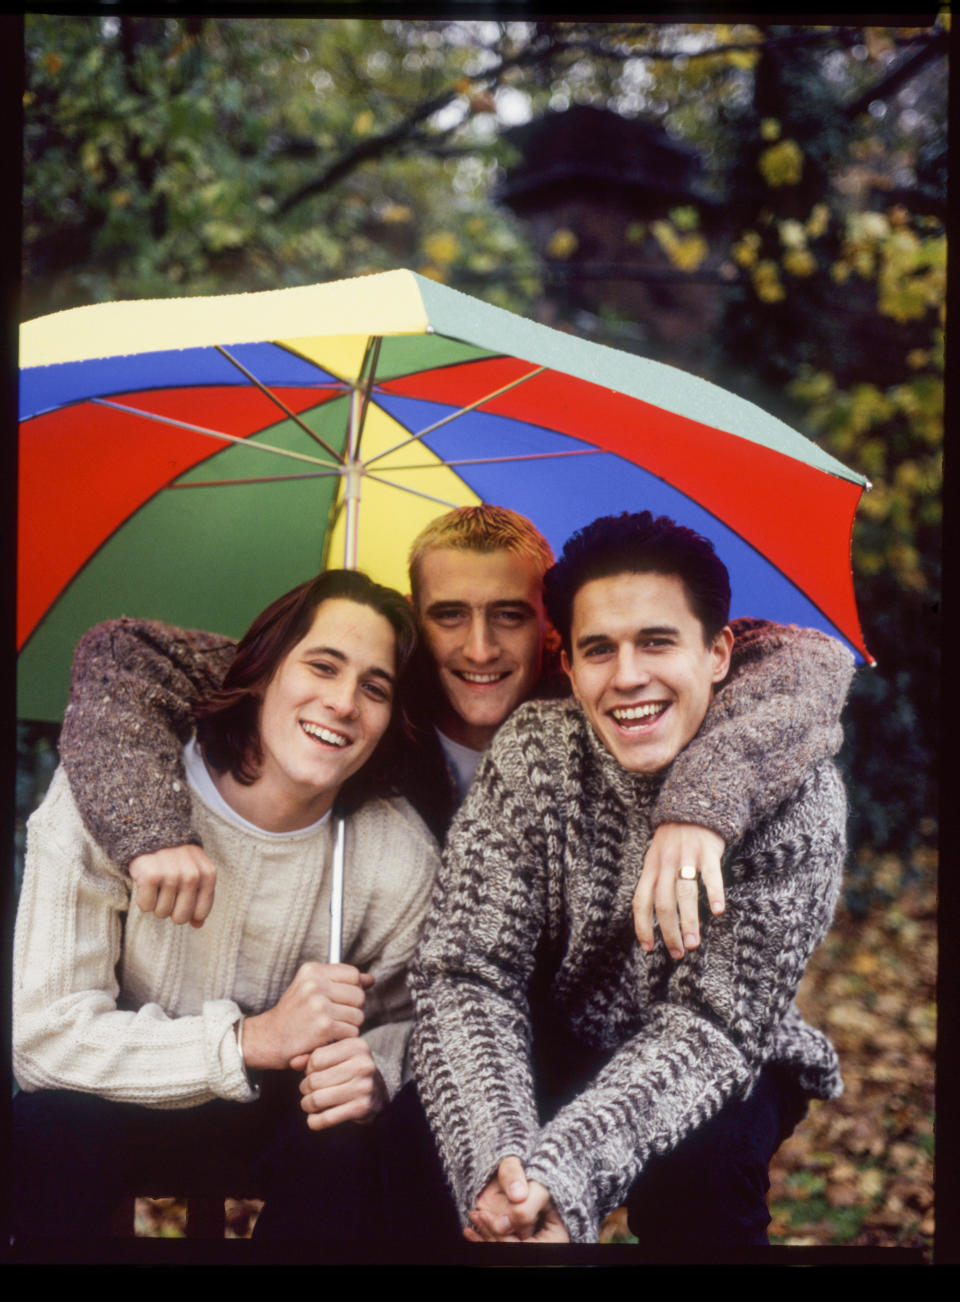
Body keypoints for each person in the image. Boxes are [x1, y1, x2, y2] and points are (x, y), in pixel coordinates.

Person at [57, 506, 852, 967]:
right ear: (414, 614)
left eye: (508, 615)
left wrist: (700, 804)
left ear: (551, 627)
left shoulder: (592, 686)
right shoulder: (369, 692)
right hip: (414, 999)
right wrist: (146, 831)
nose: (478, 649)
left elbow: (806, 659)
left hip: (577, 996)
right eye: (448, 616)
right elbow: (127, 653)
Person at [404, 511, 851, 1251]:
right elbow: (466, 969)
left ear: (717, 653)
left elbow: (716, 1025)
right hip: (559, 1028)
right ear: (569, 666)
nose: (629, 675)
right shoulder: (536, 754)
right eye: (599, 650)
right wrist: (504, 1169)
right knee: (413, 1139)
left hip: (723, 1048)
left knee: (705, 1171)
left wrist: (564, 1176)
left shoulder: (799, 799)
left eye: (656, 641)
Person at [12, 569, 439, 1240]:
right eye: (322, 666)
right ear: (263, 673)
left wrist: (377, 1069)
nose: (344, 702)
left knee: (351, 1139)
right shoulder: (114, 793)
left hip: (278, 1118)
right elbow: (44, 1038)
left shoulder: (396, 851)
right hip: (115, 1093)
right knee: (45, 1128)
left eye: (374, 687)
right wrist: (250, 1039)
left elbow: (421, 1021)